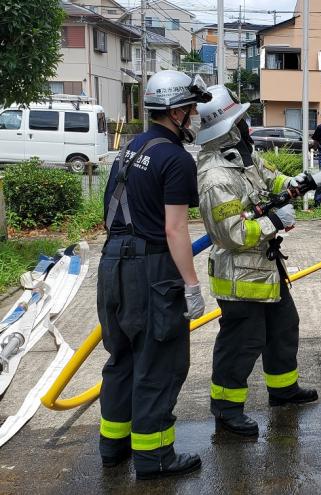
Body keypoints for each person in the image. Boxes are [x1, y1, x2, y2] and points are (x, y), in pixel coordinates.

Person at [97, 70, 211, 480]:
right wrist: (193, 286)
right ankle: (155, 456)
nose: (196, 115)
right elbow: (175, 229)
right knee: (158, 362)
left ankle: (114, 447)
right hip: (152, 269)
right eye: (193, 108)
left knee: (121, 357)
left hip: (112, 263)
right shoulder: (176, 159)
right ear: (177, 110)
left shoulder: (130, 149)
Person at [196, 86, 318, 438]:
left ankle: (282, 391)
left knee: (283, 327)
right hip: (239, 277)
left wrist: (292, 183)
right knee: (241, 344)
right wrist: (274, 222)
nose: (248, 125)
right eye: (241, 119)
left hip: (264, 269)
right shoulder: (216, 177)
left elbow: (268, 176)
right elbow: (230, 235)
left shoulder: (241, 156)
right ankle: (226, 410)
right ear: (228, 126)